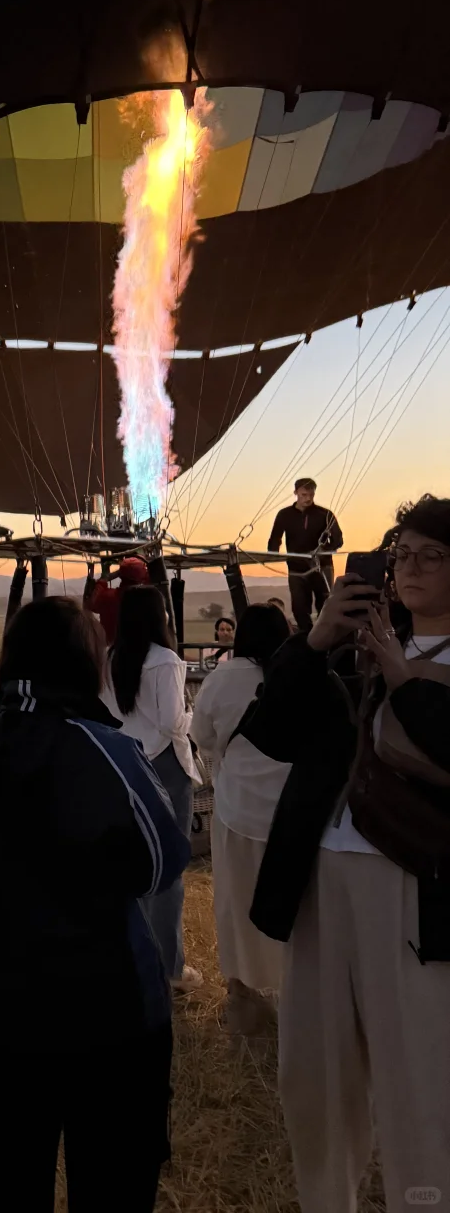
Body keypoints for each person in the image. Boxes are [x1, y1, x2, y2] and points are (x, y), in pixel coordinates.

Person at [0, 597, 190, 1213]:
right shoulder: (108, 749)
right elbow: (162, 862)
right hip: (109, 1010)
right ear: (84, 663)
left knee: (13, 1173)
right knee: (113, 1178)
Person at [241, 495, 450, 1213]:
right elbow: (270, 732)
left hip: (414, 890)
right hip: (320, 881)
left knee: (417, 1078)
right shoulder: (355, 653)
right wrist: (314, 641)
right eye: (403, 554)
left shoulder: (404, 661)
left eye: (433, 554)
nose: (412, 568)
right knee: (314, 1074)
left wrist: (400, 676)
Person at [189, 602, 291, 1034]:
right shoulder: (298, 674)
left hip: (236, 814)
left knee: (236, 904)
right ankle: (294, 996)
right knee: (294, 909)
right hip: (293, 815)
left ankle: (243, 997)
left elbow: (202, 735)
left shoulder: (223, 677)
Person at [101, 585, 202, 991]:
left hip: (124, 764)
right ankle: (170, 968)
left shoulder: (108, 659)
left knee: (130, 865)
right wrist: (195, 714)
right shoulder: (167, 662)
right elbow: (172, 723)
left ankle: (133, 959)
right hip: (165, 766)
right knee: (169, 867)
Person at [267, 477, 343, 633]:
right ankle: (306, 638)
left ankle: (325, 636)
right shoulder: (284, 514)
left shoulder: (325, 514)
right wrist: (272, 554)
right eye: (304, 495)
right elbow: (275, 538)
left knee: (325, 603)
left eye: (311, 495)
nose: (308, 499)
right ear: (295, 493)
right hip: (296, 567)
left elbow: (338, 539)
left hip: (321, 566)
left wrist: (322, 550)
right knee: (300, 607)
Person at [85, 556, 150, 645]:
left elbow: (89, 605)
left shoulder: (108, 597)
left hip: (112, 651)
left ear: (121, 576)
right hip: (138, 650)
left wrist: (104, 578)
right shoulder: (147, 601)